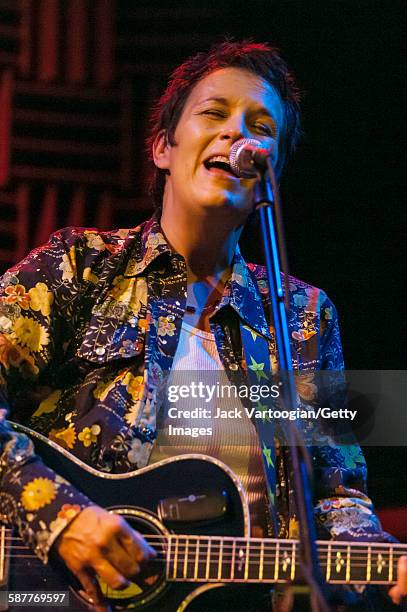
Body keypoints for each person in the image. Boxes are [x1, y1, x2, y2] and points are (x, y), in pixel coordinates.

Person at [0, 41, 405, 611]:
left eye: (259, 126)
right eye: (215, 114)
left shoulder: (305, 317)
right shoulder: (77, 269)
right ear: (164, 147)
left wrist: (378, 561)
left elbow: (336, 496)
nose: (237, 136)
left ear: (272, 173)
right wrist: (61, 517)